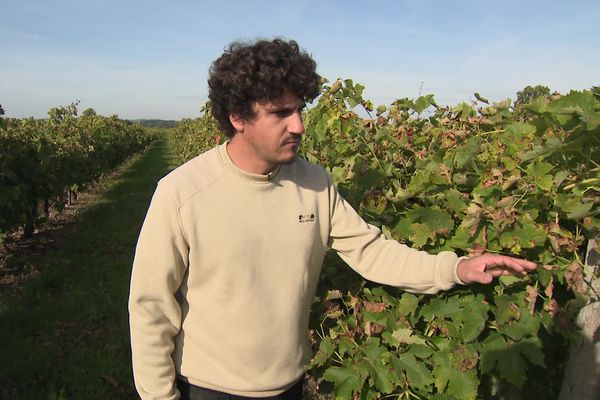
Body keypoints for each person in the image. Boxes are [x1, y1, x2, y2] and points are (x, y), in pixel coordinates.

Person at [128, 38, 536, 400]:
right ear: (238, 117)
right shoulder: (182, 192)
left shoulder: (315, 182)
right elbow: (151, 308)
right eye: (281, 113)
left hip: (289, 384)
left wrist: (457, 267)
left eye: (300, 110)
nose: (299, 125)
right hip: (207, 390)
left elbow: (371, 250)